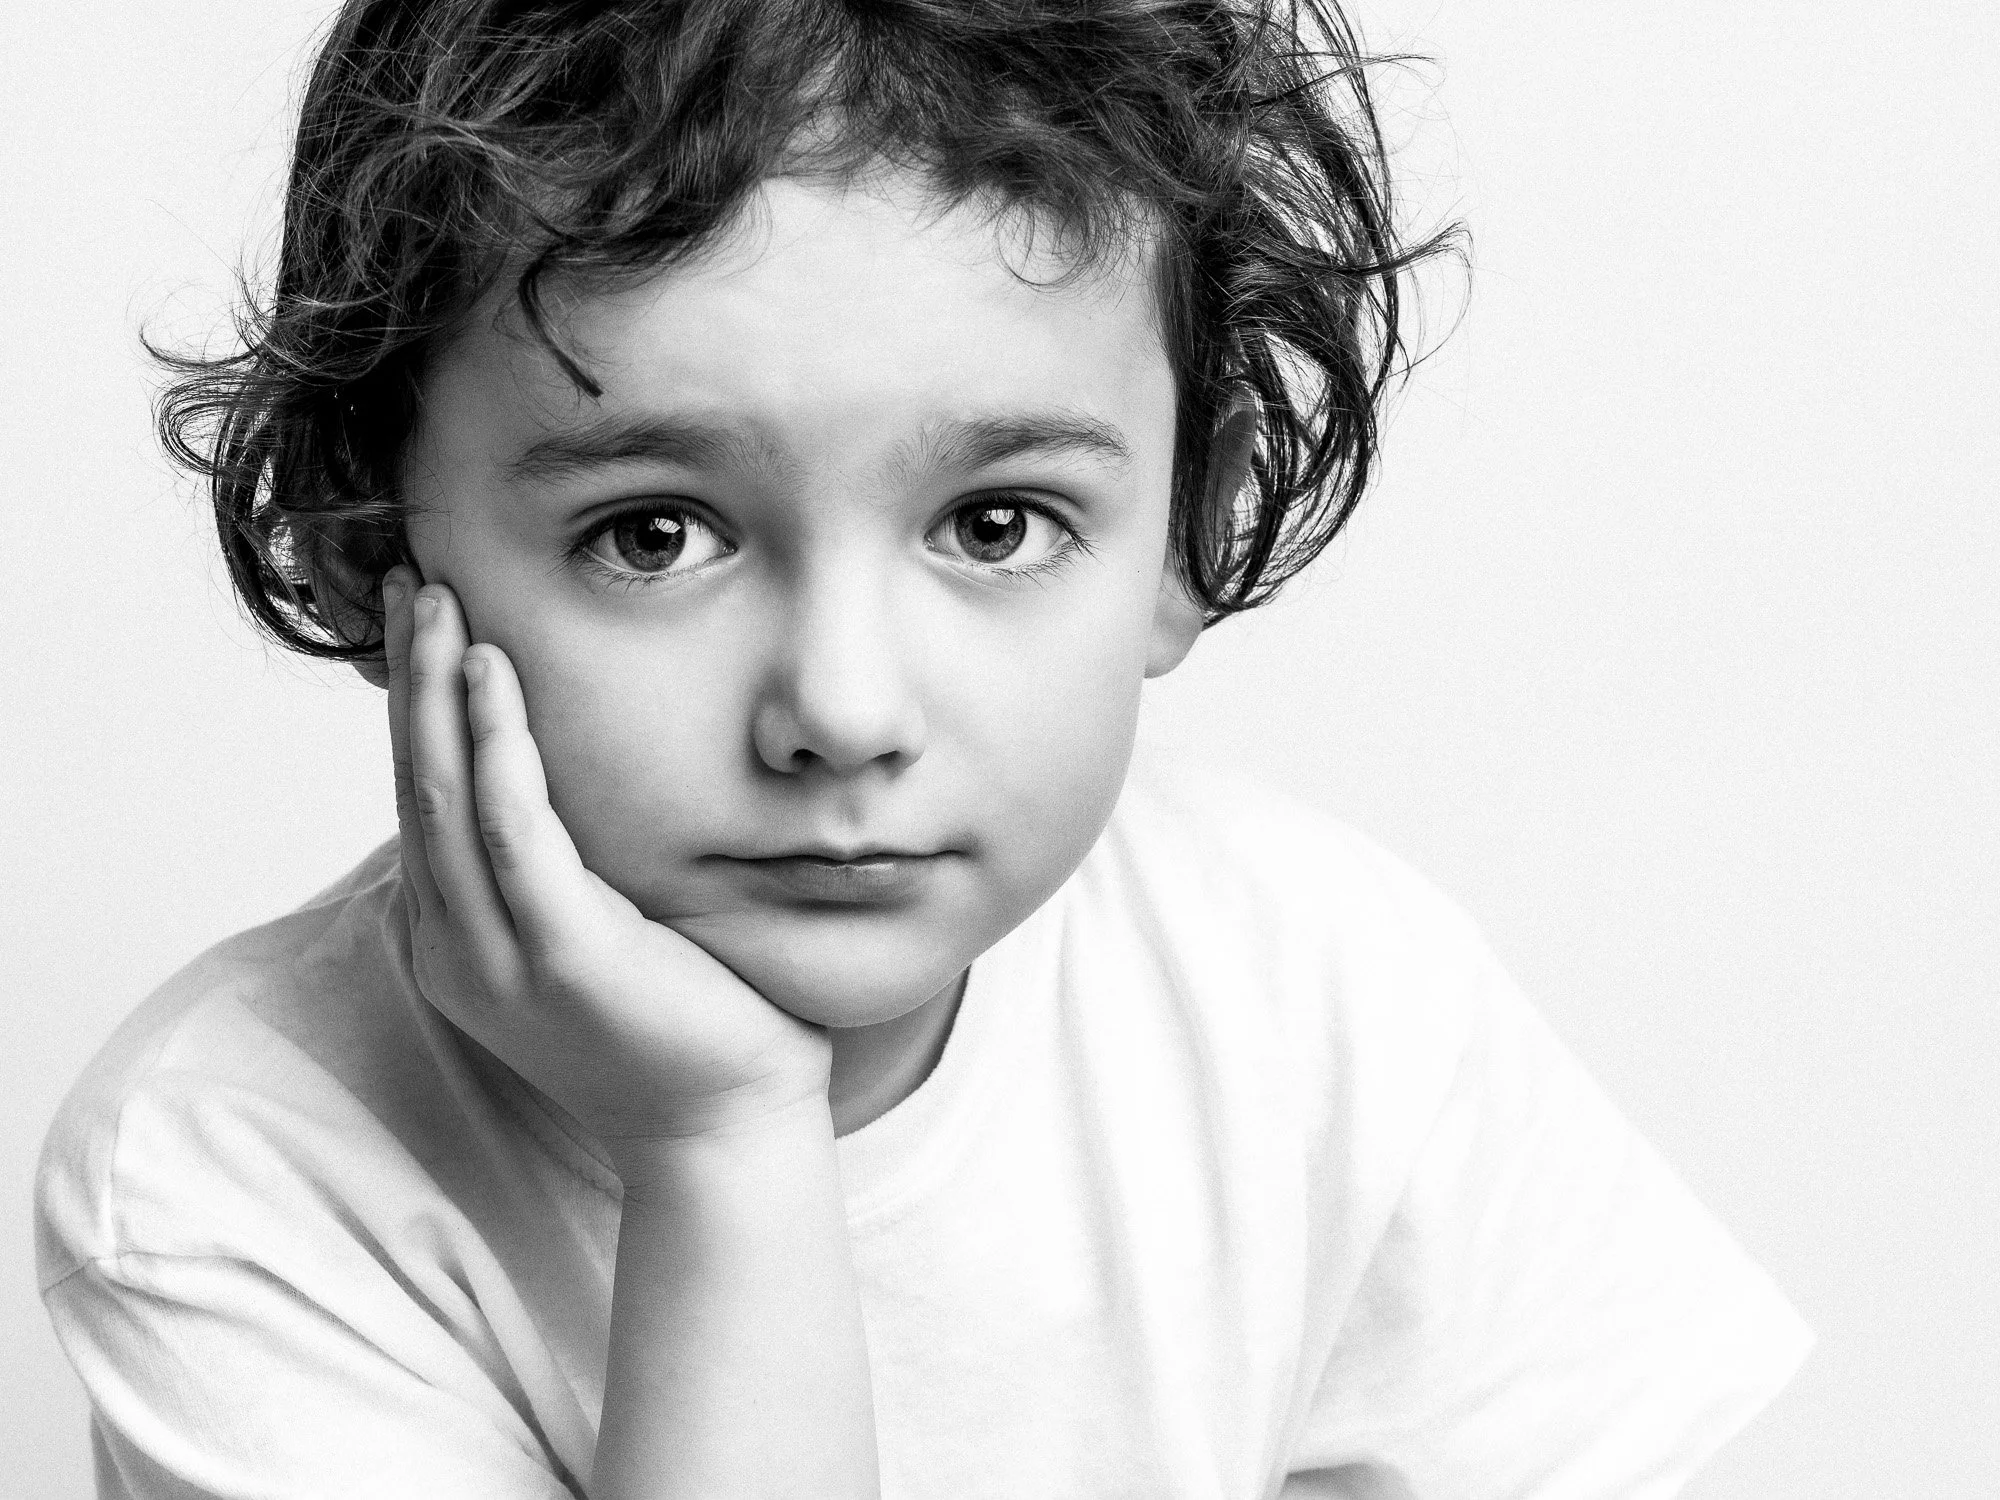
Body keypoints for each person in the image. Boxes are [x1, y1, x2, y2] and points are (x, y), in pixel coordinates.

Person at [35, 1, 1810, 1495]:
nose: (846, 711)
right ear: (370, 548)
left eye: (995, 524)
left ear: (1186, 537)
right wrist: (720, 1148)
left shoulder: (1324, 994)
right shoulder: (233, 1164)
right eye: (655, 535)